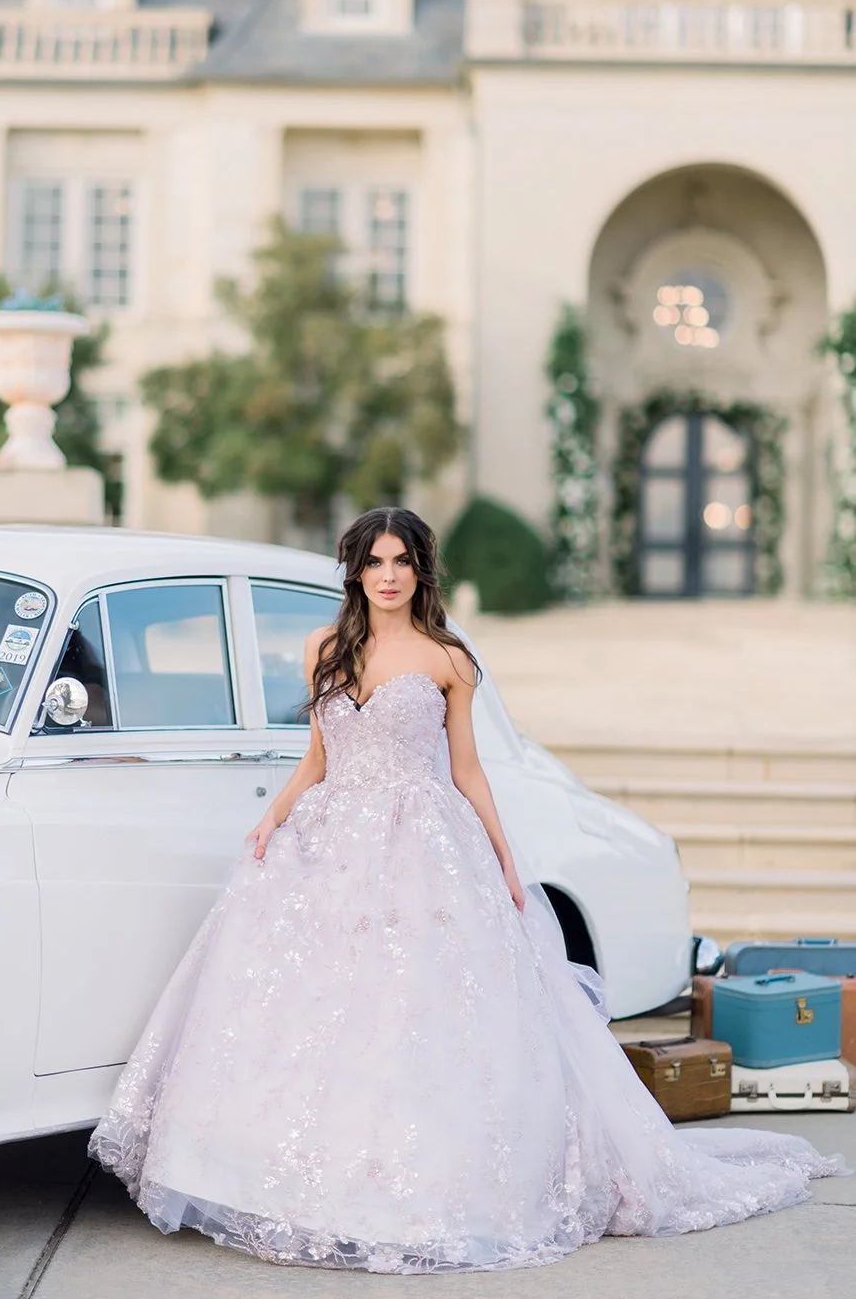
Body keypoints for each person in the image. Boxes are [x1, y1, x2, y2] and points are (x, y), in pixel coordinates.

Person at [89, 507, 847, 1274]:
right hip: (329, 841)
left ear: (422, 569)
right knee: (315, 1003)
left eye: (402, 561)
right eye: (375, 562)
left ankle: (413, 1184)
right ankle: (295, 1178)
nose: (388, 576)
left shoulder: (448, 656)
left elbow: (467, 769)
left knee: (410, 1004)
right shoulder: (323, 647)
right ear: (355, 570)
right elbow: (318, 756)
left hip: (419, 841)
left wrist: (504, 856)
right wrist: (273, 817)